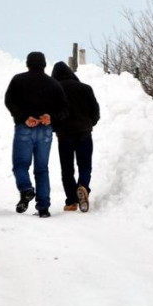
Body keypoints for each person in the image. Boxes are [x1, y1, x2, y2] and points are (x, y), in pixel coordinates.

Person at [4, 51, 69, 218]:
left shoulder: (18, 80)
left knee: (20, 165)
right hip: (45, 129)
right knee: (41, 169)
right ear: (44, 64)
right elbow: (64, 108)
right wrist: (51, 117)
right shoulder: (54, 84)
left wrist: (24, 117)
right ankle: (43, 208)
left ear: (27, 63)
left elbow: (9, 101)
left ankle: (26, 189)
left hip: (25, 127)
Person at [50, 61, 100, 213]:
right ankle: (83, 186)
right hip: (84, 133)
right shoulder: (85, 88)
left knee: (67, 169)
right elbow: (95, 111)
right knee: (85, 165)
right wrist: (90, 123)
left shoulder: (54, 91)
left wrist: (55, 129)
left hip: (64, 136)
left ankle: (71, 202)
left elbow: (51, 115)